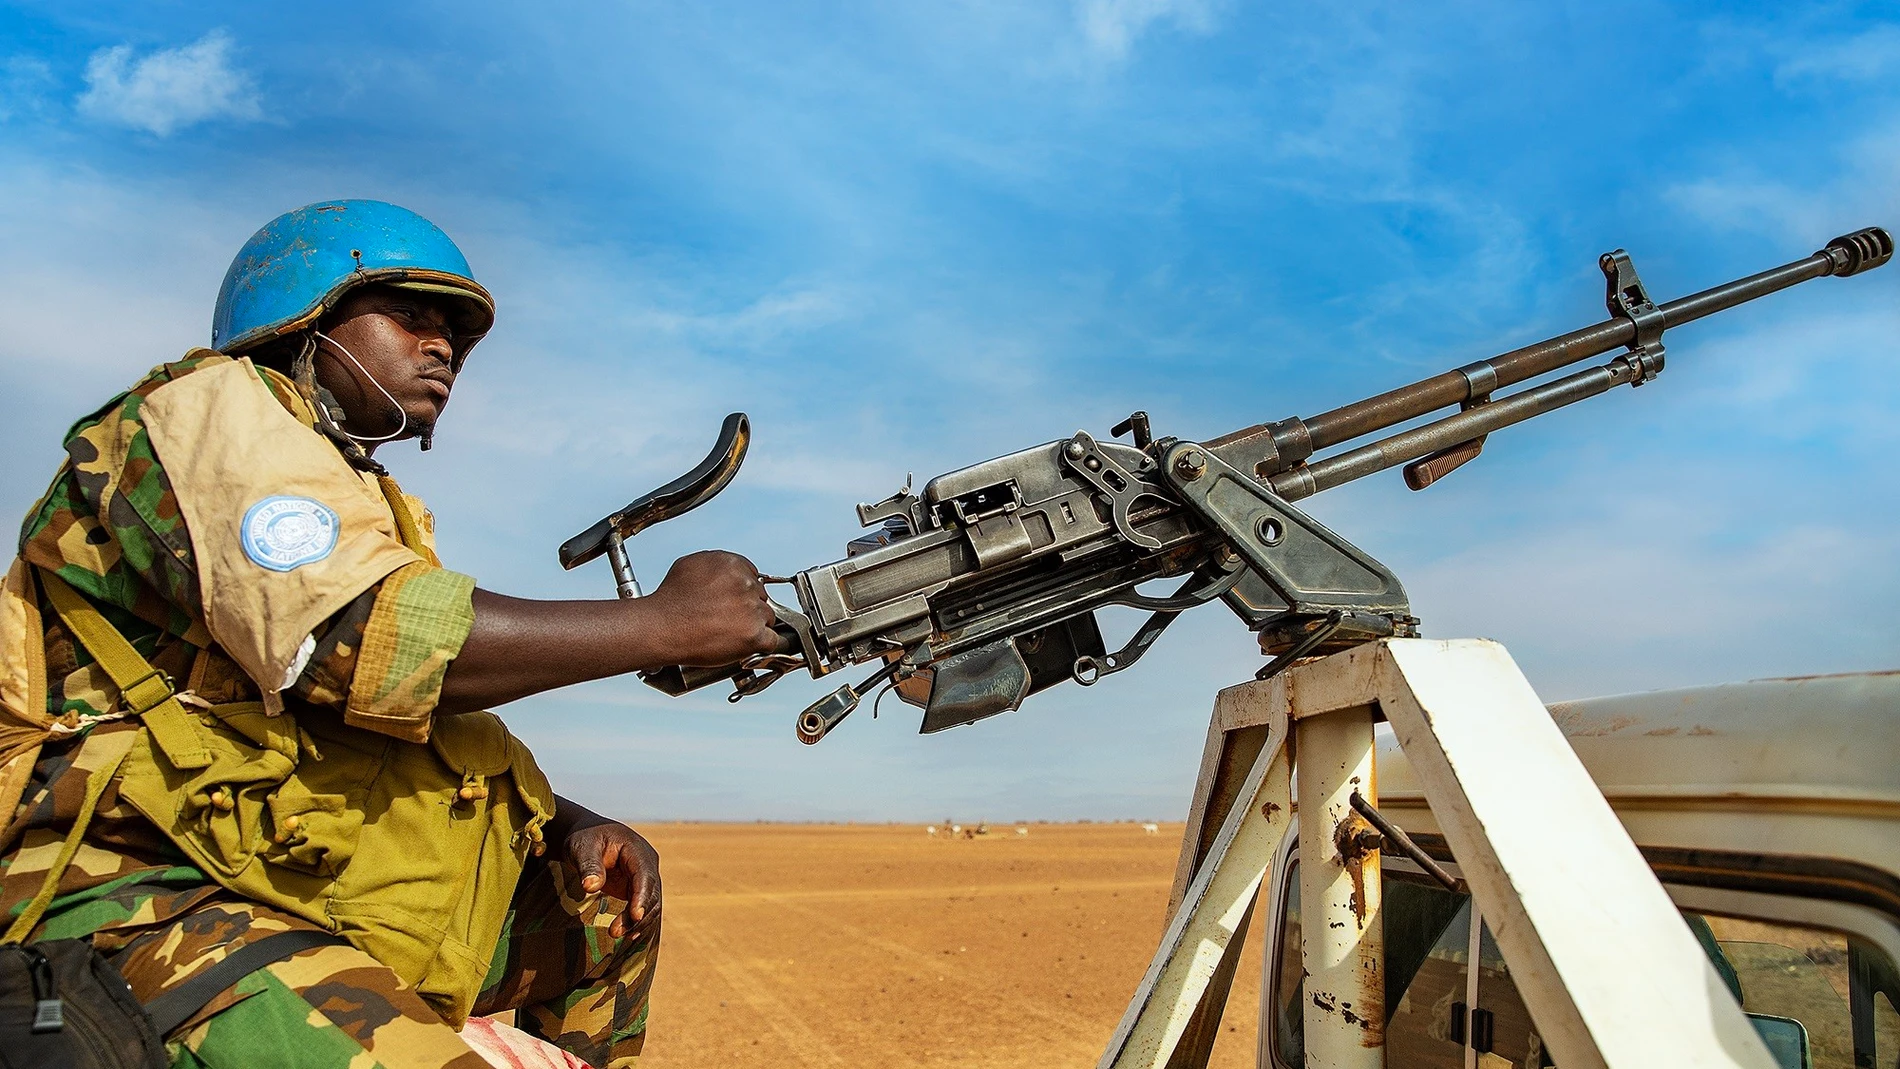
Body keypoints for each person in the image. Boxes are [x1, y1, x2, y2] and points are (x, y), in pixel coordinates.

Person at [0, 200, 779, 1069]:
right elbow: (364, 640)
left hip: (275, 866)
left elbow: (399, 722)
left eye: (454, 335)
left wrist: (562, 822)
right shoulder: (205, 412)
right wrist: (665, 623)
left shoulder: (355, 495)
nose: (441, 346)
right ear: (303, 316)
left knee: (601, 908)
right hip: (136, 887)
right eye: (410, 314)